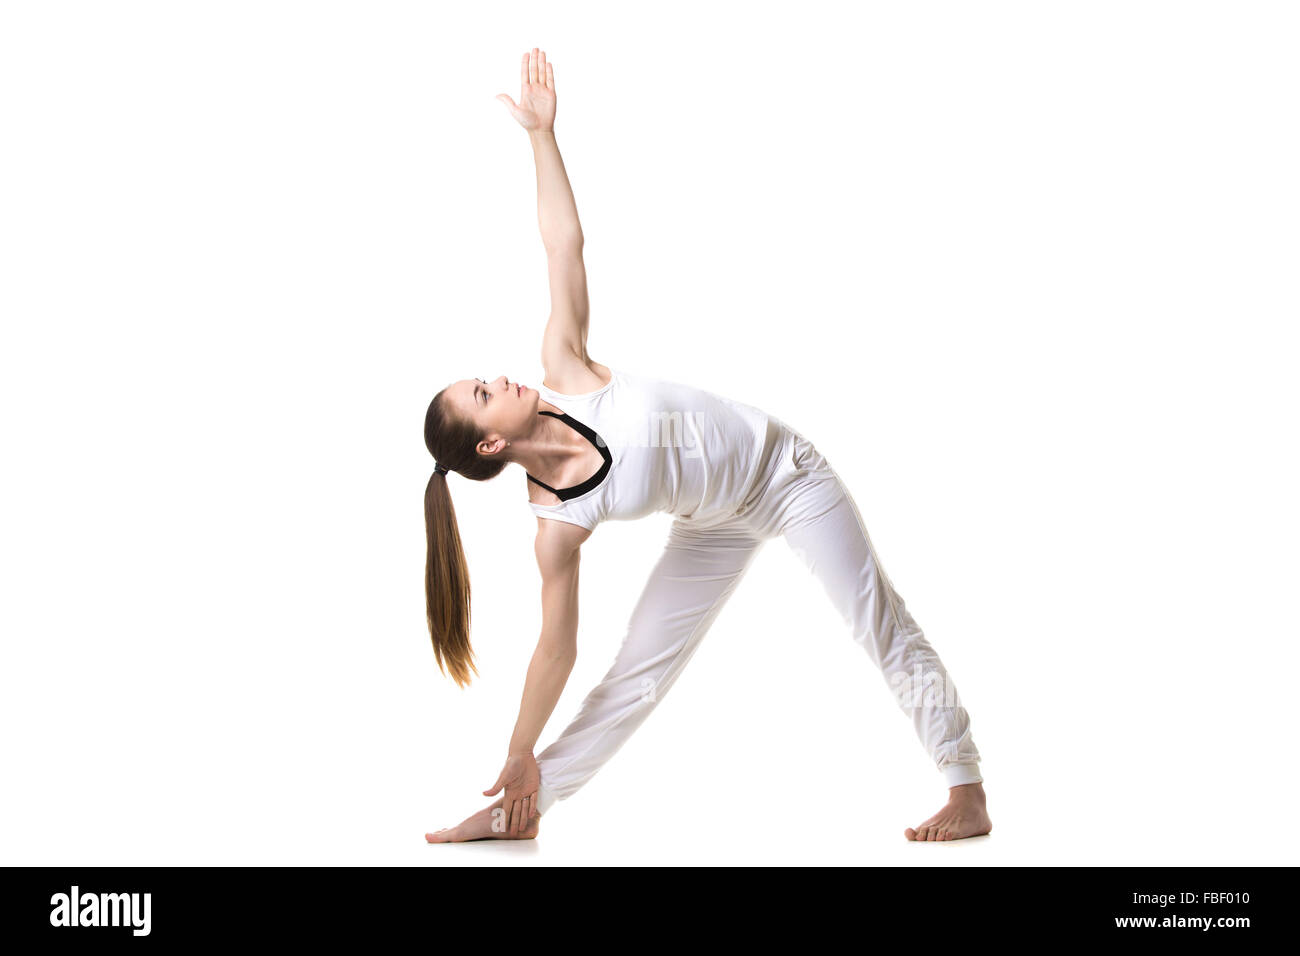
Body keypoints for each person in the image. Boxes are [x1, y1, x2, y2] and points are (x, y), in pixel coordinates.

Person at [423, 49, 992, 844]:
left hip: (786, 476)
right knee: (635, 676)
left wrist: (542, 140)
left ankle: (964, 786)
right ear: (489, 442)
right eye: (483, 393)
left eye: (483, 377)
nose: (498, 378)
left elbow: (564, 246)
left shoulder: (567, 368)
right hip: (713, 524)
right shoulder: (557, 524)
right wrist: (519, 751)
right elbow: (556, 650)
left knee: (875, 617)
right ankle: (521, 806)